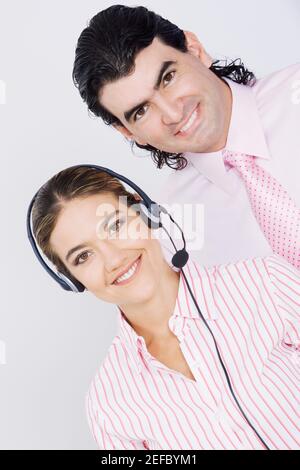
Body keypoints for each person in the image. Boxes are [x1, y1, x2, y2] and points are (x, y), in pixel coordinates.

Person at [30, 165, 299, 450]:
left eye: (115, 226)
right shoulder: (107, 405)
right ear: (72, 280)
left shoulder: (267, 284)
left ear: (145, 213)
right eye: (83, 256)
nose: (113, 259)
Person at [72, 4, 300, 269]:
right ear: (128, 132)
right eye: (142, 111)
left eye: (168, 78)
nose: (172, 113)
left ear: (194, 49)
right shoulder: (174, 229)